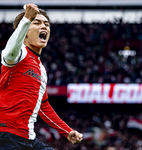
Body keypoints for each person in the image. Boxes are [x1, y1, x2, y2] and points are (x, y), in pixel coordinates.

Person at [0, 4, 83, 149]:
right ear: (24, 31)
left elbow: (44, 107)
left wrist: (67, 131)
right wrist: (26, 19)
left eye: (46, 24)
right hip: (6, 136)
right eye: (37, 23)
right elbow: (9, 52)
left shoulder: (41, 70)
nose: (43, 26)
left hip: (29, 139)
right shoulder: (19, 54)